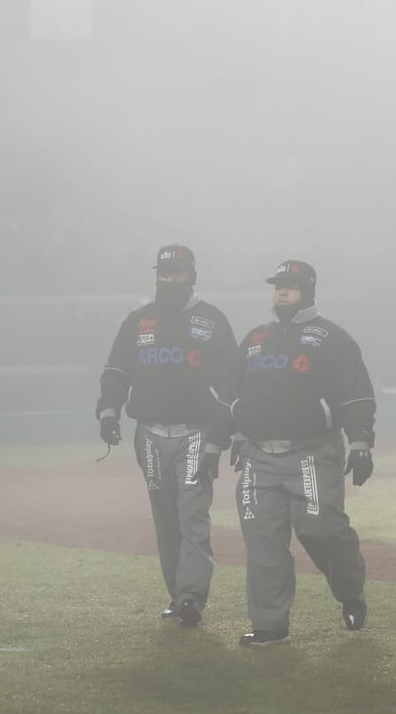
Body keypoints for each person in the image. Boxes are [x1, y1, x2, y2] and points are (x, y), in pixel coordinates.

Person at [228, 260, 376, 647]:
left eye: (291, 286)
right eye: (278, 286)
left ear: (308, 290)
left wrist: (361, 443)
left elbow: (357, 393)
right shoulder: (257, 338)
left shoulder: (333, 338)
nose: (282, 292)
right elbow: (234, 391)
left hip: (311, 452)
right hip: (260, 455)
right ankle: (270, 626)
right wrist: (235, 433)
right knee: (263, 542)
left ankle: (349, 590)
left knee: (321, 527)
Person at [96, 245, 237, 627]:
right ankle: (177, 594)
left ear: (192, 275)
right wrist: (109, 409)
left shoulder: (212, 321)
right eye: (163, 274)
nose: (168, 280)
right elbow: (117, 369)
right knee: (166, 517)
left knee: (192, 514)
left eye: (176, 274)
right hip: (150, 434)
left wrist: (221, 437)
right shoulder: (139, 321)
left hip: (196, 432)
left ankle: (192, 597)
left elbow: (231, 383)